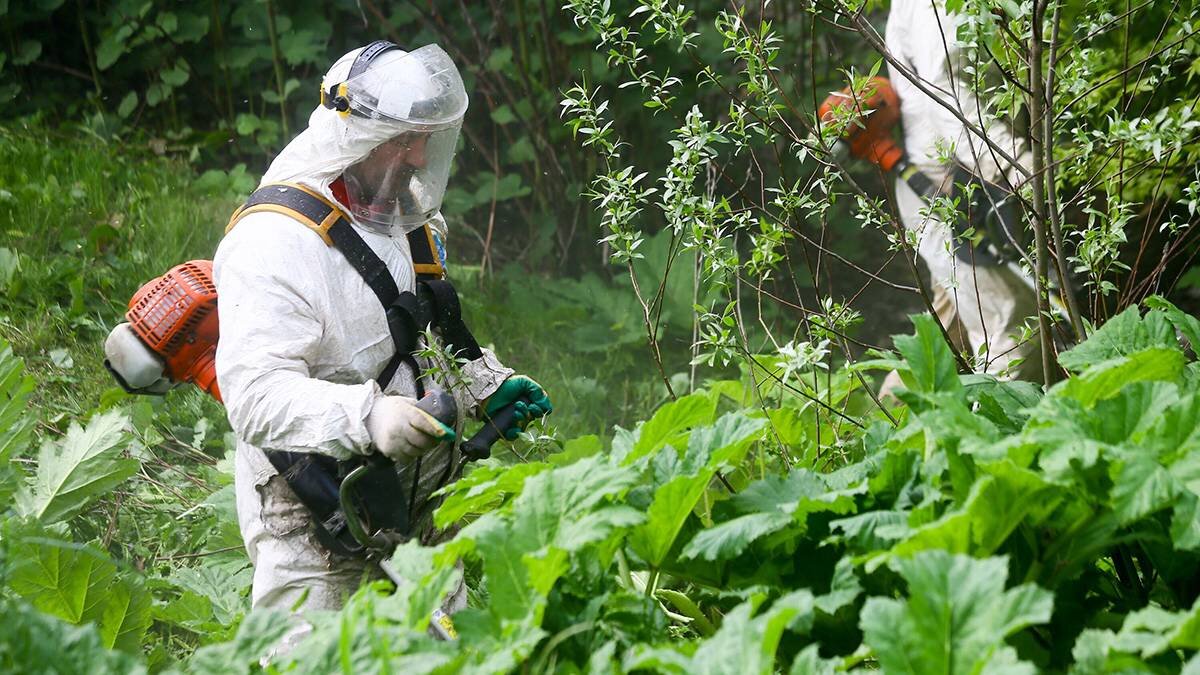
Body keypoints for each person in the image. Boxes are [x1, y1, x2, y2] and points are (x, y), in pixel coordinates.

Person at [212, 41, 551, 632]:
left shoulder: (404, 211)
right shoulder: (272, 243)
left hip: (421, 508)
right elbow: (254, 396)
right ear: (354, 135)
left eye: (428, 137)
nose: (419, 156)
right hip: (317, 520)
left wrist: (483, 384)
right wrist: (367, 417)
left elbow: (419, 327)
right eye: (402, 138)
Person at [885, 0, 1043, 380]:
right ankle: (1004, 433)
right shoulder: (938, 6)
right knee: (1007, 322)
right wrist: (1016, 164)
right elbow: (949, 99)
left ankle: (893, 422)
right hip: (949, 187)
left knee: (947, 332)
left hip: (969, 179)